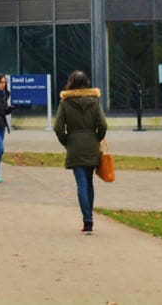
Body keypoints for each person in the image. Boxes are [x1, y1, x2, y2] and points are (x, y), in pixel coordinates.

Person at [53, 69, 108, 234]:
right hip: (91, 144)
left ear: (71, 83)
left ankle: (87, 220)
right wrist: (97, 138)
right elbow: (103, 124)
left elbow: (57, 127)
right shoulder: (95, 101)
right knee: (89, 182)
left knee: (81, 183)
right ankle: (89, 219)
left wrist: (66, 141)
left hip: (74, 145)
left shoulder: (65, 103)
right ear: (86, 83)